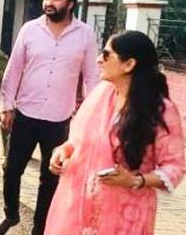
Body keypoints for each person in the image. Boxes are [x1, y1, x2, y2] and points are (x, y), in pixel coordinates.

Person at [0, 0, 100, 235]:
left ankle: (40, 228)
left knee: (50, 178)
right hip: (26, 113)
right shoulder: (30, 29)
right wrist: (7, 106)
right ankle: (10, 215)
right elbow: (13, 70)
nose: (49, 3)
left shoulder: (85, 34)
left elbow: (92, 77)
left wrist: (89, 117)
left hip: (60, 118)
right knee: (11, 168)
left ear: (70, 3)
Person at [46, 30, 185, 234]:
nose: (98, 60)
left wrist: (135, 180)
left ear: (129, 64)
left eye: (106, 54)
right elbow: (79, 140)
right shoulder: (101, 94)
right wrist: (63, 151)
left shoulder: (160, 110)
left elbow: (175, 167)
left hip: (124, 216)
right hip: (77, 208)